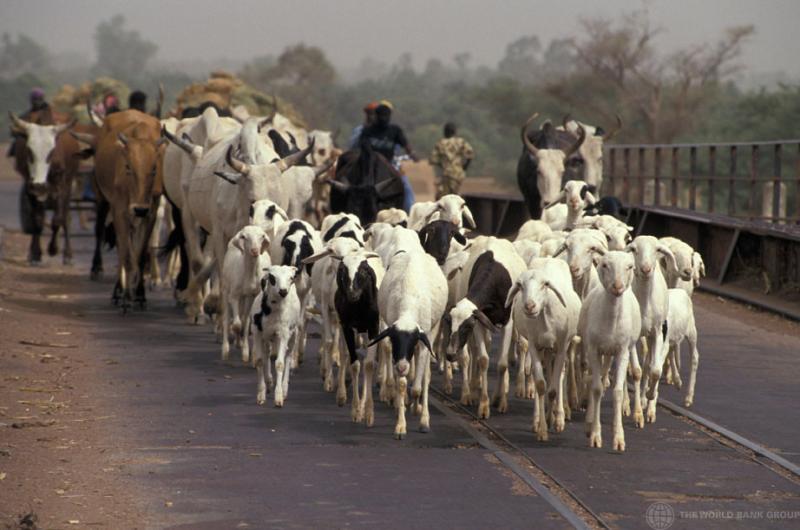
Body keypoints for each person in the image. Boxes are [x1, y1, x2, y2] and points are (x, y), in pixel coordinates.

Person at [359, 101, 418, 211]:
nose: (384, 118)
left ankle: (408, 213)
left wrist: (412, 154)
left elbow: (405, 144)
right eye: (381, 115)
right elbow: (363, 148)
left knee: (405, 186)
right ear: (376, 116)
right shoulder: (367, 131)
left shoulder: (395, 131)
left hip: (389, 164)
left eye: (386, 115)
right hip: (370, 165)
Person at [429, 122, 474, 198]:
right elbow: (470, 155)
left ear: (445, 132)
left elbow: (433, 160)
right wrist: (464, 167)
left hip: (446, 174)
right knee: (456, 196)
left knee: (444, 198)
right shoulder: (460, 142)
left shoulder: (441, 143)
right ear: (455, 132)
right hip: (459, 174)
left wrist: (442, 165)